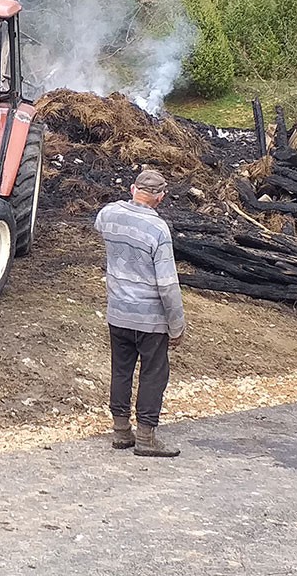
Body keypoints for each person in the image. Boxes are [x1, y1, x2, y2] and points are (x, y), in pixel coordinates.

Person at [94, 168, 186, 457]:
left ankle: (121, 431)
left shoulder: (109, 214)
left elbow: (99, 226)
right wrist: (177, 324)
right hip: (151, 319)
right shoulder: (158, 229)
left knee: (121, 370)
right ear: (161, 198)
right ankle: (146, 436)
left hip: (118, 312)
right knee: (153, 374)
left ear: (133, 189)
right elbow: (168, 284)